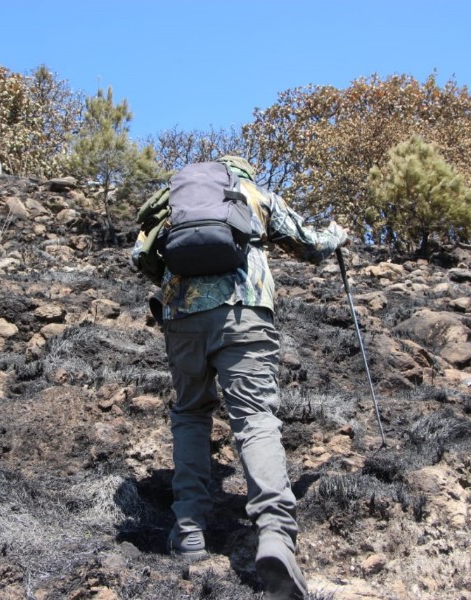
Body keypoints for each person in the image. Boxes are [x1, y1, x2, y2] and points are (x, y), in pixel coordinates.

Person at [131, 156, 348, 600]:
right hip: (244, 314)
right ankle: (274, 535)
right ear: (243, 172)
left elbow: (140, 255)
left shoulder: (172, 199)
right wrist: (338, 233)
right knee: (254, 419)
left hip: (183, 321)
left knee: (191, 414)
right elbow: (311, 244)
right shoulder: (254, 194)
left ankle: (189, 530)